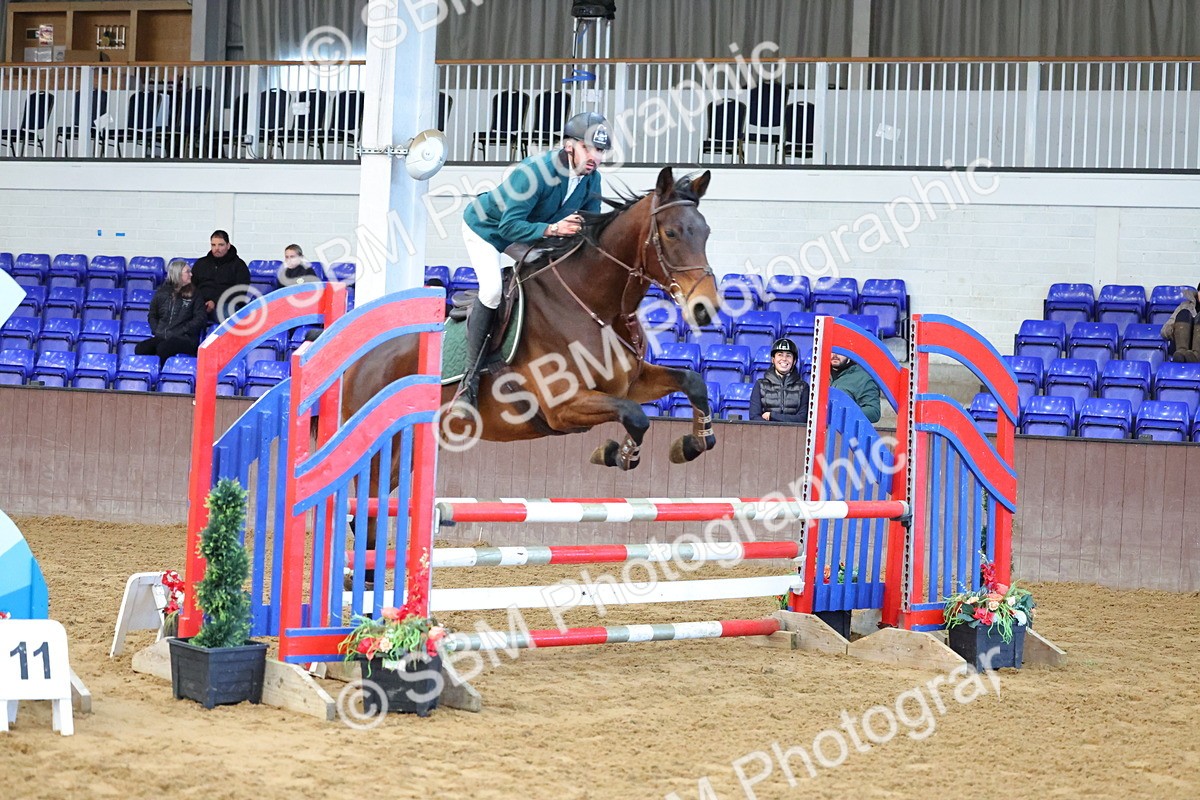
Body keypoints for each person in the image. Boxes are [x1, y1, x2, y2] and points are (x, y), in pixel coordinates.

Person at [454, 111, 612, 413]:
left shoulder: (592, 180)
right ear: (570, 146)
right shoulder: (534, 172)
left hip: (527, 232)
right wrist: (553, 229)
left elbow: (590, 227)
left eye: (601, 151)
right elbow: (508, 228)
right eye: (589, 148)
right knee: (490, 292)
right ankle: (469, 383)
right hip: (487, 229)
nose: (596, 157)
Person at [135, 258, 208, 364]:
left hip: (185, 339)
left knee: (164, 348)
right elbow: (152, 314)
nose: (191, 274)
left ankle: (161, 375)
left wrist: (183, 330)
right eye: (187, 272)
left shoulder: (195, 294)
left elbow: (200, 318)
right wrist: (157, 330)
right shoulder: (162, 293)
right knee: (141, 348)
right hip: (163, 336)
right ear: (178, 274)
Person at [191, 229, 251, 322]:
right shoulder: (201, 263)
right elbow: (192, 286)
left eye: (221, 245)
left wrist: (214, 302)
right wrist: (200, 302)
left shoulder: (239, 265)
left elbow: (240, 291)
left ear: (228, 245)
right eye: (213, 245)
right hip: (201, 304)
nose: (216, 248)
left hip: (225, 305)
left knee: (228, 317)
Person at [749, 338, 810, 423]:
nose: (784, 359)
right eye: (780, 354)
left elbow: (802, 419)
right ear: (773, 359)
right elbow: (754, 417)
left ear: (794, 361)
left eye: (788, 355)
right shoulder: (760, 385)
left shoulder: (803, 387)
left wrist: (772, 416)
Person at [830, 351, 882, 423]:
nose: (835, 355)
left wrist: (846, 414)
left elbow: (874, 412)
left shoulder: (863, 378)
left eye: (840, 351)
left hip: (845, 431)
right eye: (832, 351)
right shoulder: (817, 372)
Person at [1161, 284, 1200, 362]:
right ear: (1198, 292)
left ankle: (1196, 354)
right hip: (1180, 346)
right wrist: (1177, 328)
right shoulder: (1185, 306)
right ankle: (1181, 352)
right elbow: (1164, 331)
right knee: (1184, 313)